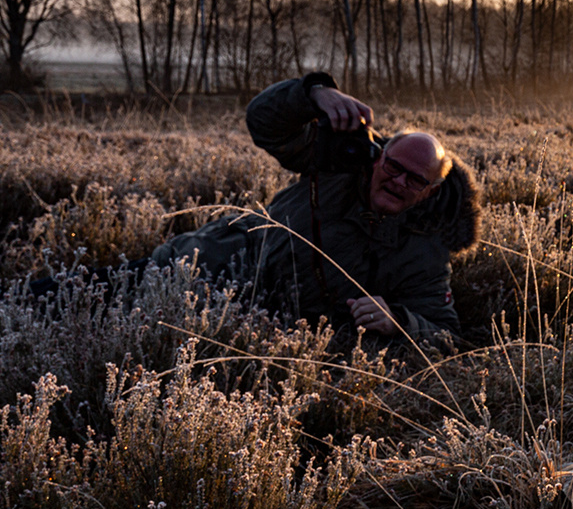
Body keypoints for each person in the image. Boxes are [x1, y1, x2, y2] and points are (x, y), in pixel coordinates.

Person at [151, 72, 479, 344]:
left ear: (429, 191)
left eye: (415, 180)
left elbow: (446, 332)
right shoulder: (337, 159)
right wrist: (313, 92)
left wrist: (398, 320)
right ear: (378, 157)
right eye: (394, 168)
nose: (399, 182)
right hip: (200, 263)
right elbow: (263, 122)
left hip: (253, 331)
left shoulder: (425, 250)